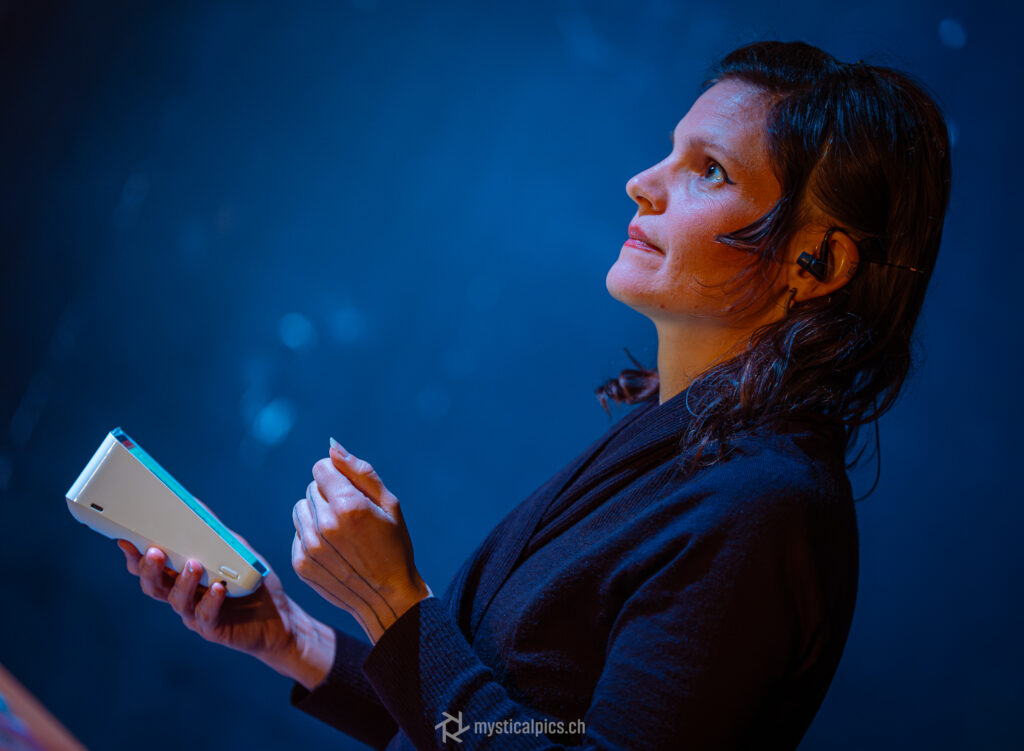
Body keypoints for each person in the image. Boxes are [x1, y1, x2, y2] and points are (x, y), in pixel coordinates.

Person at [117, 40, 951, 750]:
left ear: (818, 261)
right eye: (670, 152)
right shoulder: (682, 444)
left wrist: (396, 604)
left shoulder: (765, 508)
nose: (642, 182)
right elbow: (492, 721)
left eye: (709, 170)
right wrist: (292, 636)